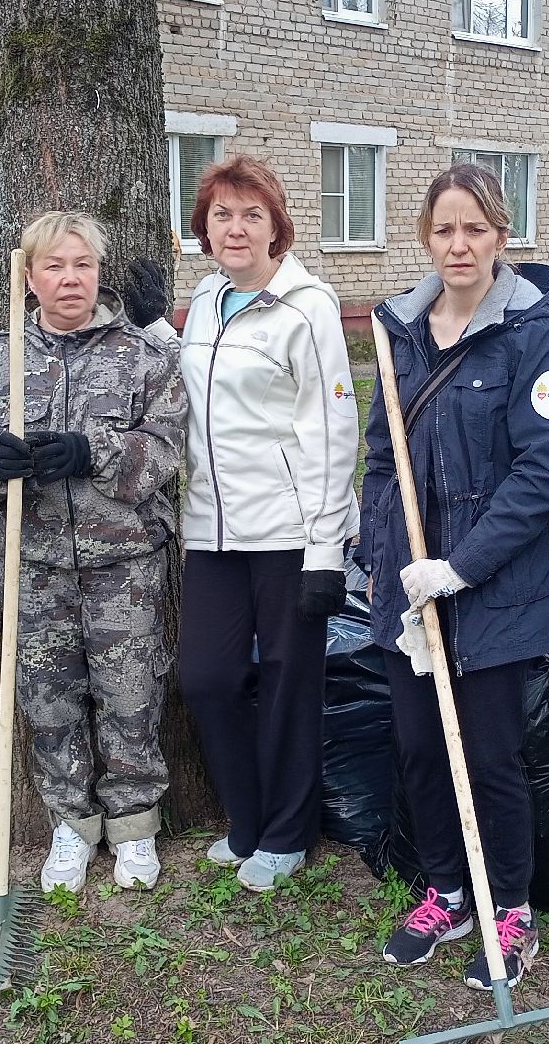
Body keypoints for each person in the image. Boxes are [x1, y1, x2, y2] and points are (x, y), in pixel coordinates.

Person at [360, 162, 549, 991]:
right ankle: (445, 890)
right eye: (444, 228)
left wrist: (461, 566)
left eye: (475, 228)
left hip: (494, 588)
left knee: (488, 755)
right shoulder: (397, 332)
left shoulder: (532, 333)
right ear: (426, 235)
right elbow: (382, 460)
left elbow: (542, 471)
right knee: (418, 748)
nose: (459, 245)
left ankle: (510, 908)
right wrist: (393, 560)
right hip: (407, 584)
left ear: (500, 235)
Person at [0, 212, 187, 895]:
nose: (69, 278)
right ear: (29, 278)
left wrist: (92, 452)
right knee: (49, 701)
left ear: (98, 273)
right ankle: (71, 826)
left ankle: (134, 827)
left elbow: (166, 450)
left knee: (130, 698)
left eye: (81, 265)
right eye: (53, 266)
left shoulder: (144, 358)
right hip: (34, 562)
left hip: (124, 568)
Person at [177, 156, 361, 893]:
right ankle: (244, 819)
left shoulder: (306, 306)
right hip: (211, 529)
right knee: (206, 677)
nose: (235, 228)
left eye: (251, 214)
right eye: (222, 214)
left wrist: (325, 547)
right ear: (205, 227)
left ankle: (286, 834)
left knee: (289, 682)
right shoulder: (202, 300)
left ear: (276, 226)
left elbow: (332, 424)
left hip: (288, 531)